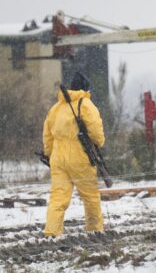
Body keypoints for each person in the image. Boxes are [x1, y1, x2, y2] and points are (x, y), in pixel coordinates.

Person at [43, 72, 105, 237]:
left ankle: (51, 233)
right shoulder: (85, 104)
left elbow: (47, 136)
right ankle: (94, 231)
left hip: (57, 158)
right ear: (85, 88)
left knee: (58, 198)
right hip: (80, 156)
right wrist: (99, 143)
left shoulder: (55, 108)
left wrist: (49, 154)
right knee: (90, 196)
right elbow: (96, 132)